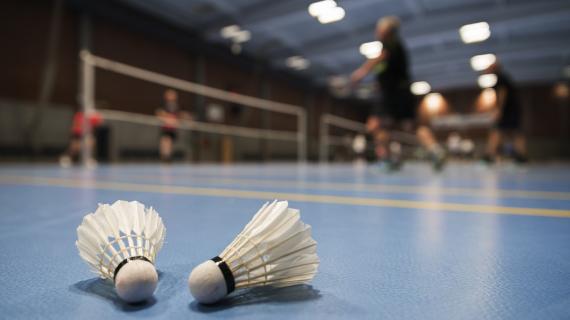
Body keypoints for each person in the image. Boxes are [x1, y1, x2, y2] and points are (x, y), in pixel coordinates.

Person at [351, 16, 445, 171]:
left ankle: (387, 159)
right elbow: (388, 71)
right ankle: (435, 150)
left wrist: (360, 73)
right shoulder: (397, 47)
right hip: (402, 93)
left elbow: (378, 60)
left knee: (375, 125)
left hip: (391, 95)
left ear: (386, 30)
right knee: (413, 126)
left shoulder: (389, 44)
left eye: (379, 28)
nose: (376, 31)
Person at [482, 61, 528, 164]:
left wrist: (499, 110)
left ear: (494, 68)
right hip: (513, 110)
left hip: (508, 111)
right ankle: (522, 158)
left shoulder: (501, 79)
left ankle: (488, 157)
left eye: (489, 67)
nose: (486, 69)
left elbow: (503, 94)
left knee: (497, 131)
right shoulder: (504, 78)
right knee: (515, 132)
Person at [156, 89, 191, 162]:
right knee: (165, 141)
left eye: (173, 95)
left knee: (170, 142)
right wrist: (167, 119)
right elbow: (159, 113)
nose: (171, 96)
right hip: (166, 127)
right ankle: (165, 157)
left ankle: (168, 156)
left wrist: (183, 118)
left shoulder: (176, 105)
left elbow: (179, 115)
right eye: (170, 94)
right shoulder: (164, 104)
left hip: (173, 128)